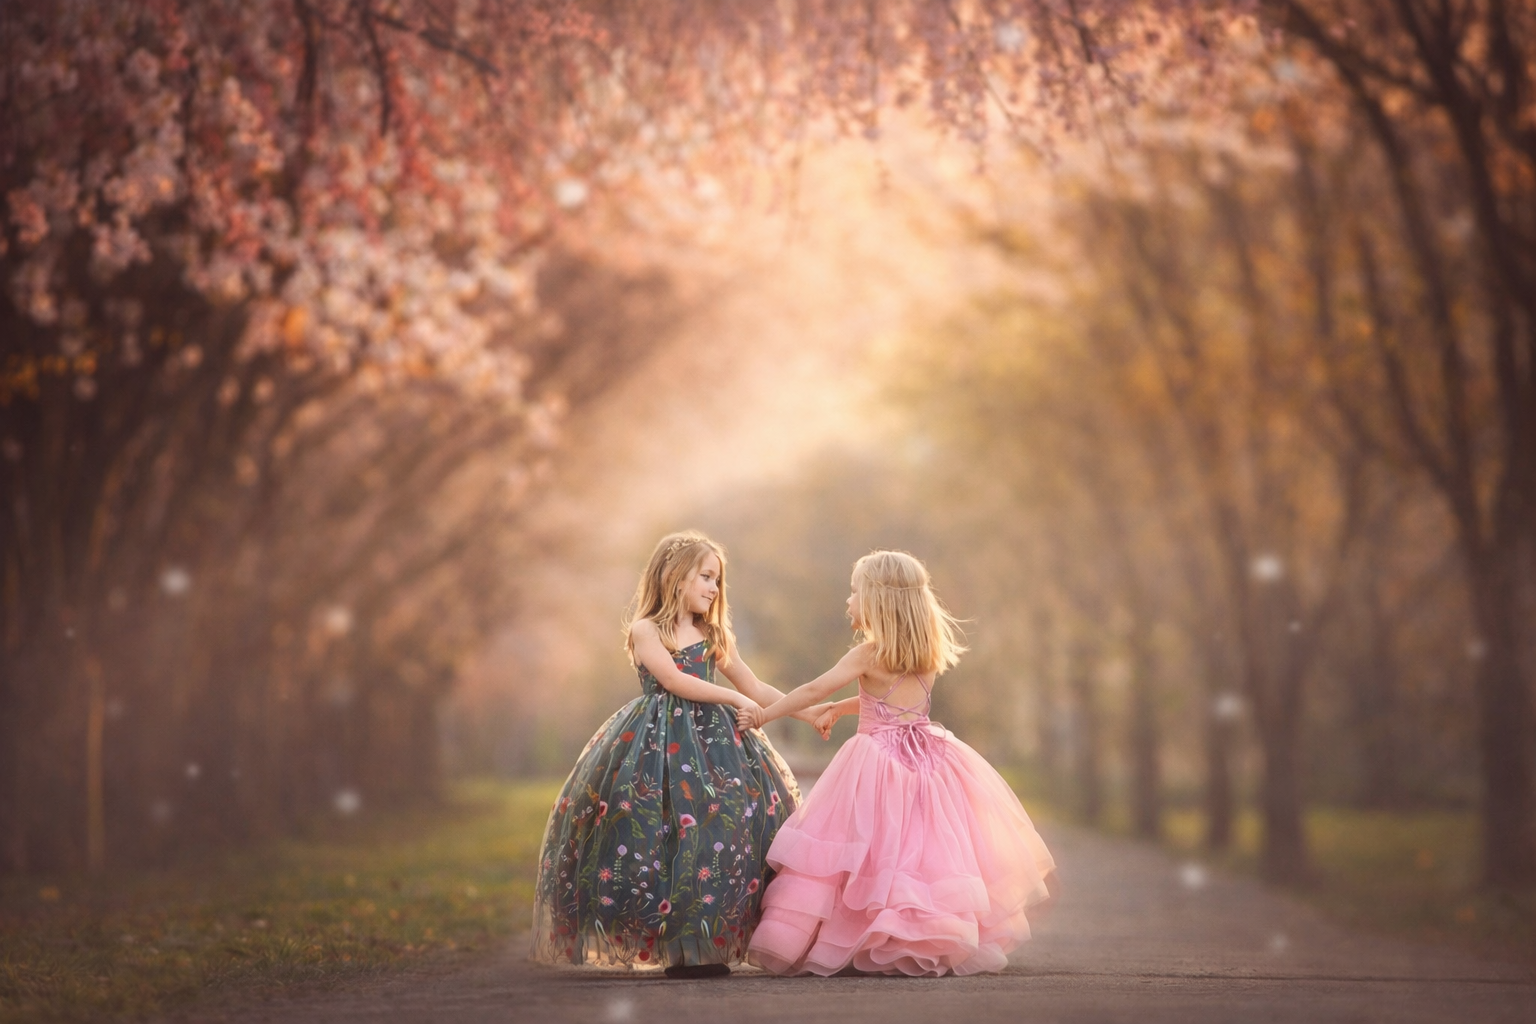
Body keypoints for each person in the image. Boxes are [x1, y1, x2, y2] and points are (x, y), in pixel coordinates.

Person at [738, 550, 1058, 977]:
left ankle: (860, 934)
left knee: (864, 850)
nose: (848, 602)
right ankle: (920, 934)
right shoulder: (926, 650)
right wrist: (843, 707)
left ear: (875, 600)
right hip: (930, 756)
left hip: (877, 760)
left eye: (853, 593)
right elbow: (895, 701)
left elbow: (813, 689)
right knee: (920, 853)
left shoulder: (868, 654)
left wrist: (765, 715)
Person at [530, 531, 829, 977]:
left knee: (718, 830)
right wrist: (731, 701)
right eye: (706, 577)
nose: (714, 588)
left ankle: (706, 940)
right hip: (656, 746)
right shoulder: (646, 629)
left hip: (716, 748)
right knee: (662, 833)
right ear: (675, 576)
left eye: (717, 580)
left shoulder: (712, 633)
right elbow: (673, 680)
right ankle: (677, 945)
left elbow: (756, 687)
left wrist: (809, 713)